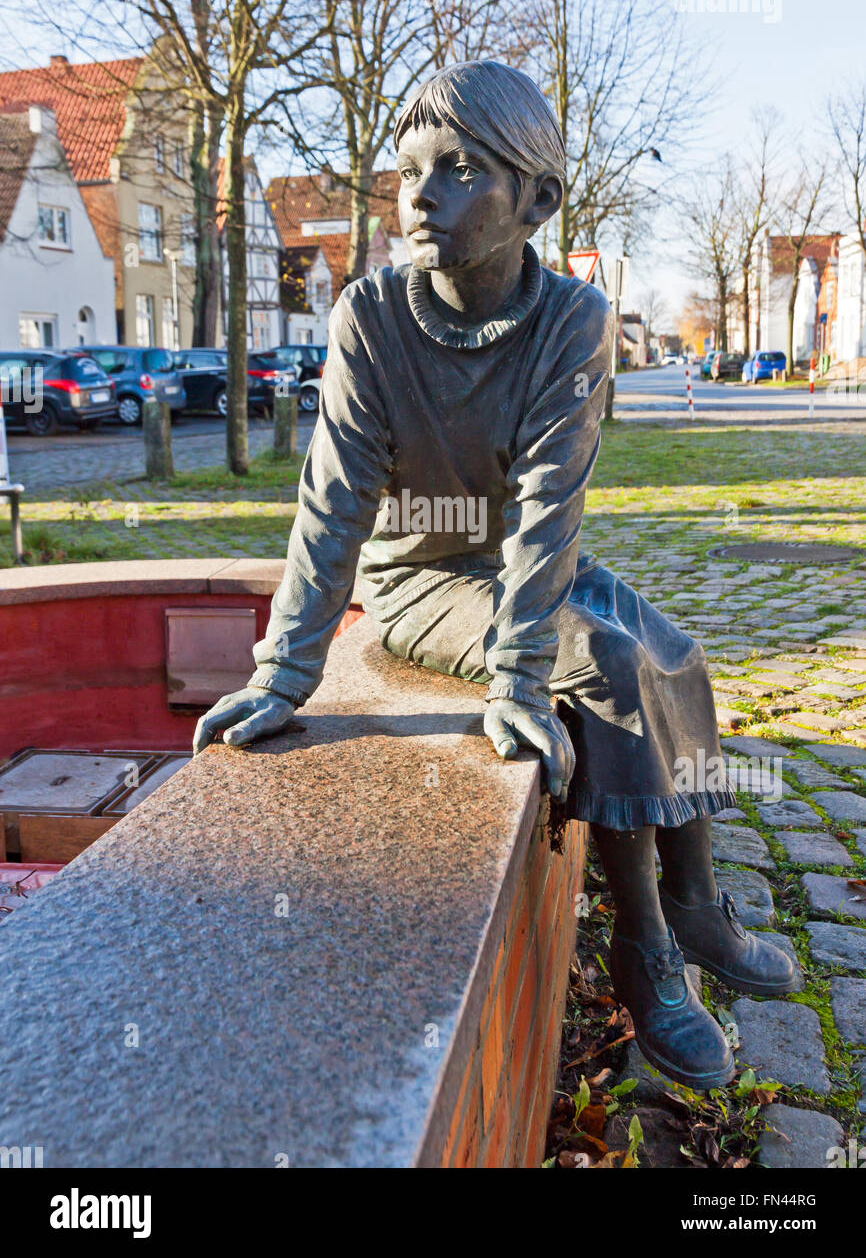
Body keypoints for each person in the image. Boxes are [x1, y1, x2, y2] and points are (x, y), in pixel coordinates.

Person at [194, 60, 795, 1090]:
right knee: (602, 659)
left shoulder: (571, 321)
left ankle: (699, 902)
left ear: (537, 201)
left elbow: (548, 505)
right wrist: (284, 673)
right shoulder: (371, 320)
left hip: (518, 550)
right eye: (408, 170)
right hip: (423, 575)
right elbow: (331, 506)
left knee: (670, 648)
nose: (419, 195)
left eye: (460, 170)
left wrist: (516, 672)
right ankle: (646, 949)